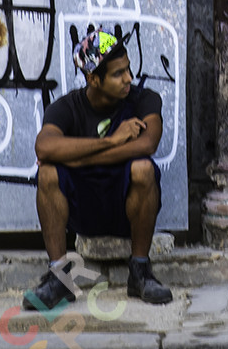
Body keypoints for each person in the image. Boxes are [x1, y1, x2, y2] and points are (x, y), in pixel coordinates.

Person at [23, 28, 174, 309]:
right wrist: (113, 141)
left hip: (124, 209)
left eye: (128, 70)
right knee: (47, 173)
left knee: (143, 169)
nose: (129, 79)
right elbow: (44, 149)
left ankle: (140, 272)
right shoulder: (66, 107)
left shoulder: (144, 100)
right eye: (118, 74)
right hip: (82, 209)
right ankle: (59, 278)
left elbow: (148, 144)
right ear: (93, 78)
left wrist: (78, 157)